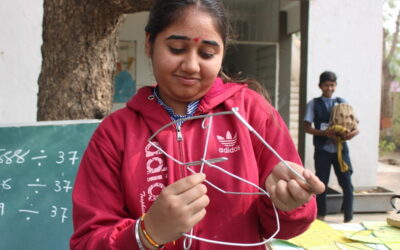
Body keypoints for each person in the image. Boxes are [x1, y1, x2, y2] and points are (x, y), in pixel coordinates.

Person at [70, 1, 325, 249]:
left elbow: (289, 228)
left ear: (222, 53)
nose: (191, 66)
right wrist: (147, 234)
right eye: (177, 49)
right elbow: (87, 241)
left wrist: (290, 203)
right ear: (149, 44)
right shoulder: (115, 133)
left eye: (207, 53)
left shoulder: (251, 113)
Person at [304, 71, 359, 223]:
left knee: (347, 183)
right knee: (321, 183)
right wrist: (325, 134)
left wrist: (351, 134)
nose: (329, 88)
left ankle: (348, 217)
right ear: (320, 86)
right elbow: (307, 128)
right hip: (323, 150)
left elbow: (355, 126)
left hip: (341, 151)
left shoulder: (343, 102)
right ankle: (321, 215)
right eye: (326, 85)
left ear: (336, 86)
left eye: (332, 85)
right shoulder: (313, 104)